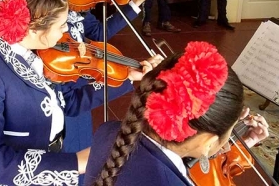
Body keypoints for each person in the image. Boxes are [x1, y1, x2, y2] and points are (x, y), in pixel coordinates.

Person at [0, 0, 159, 186]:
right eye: (61, 25)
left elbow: (68, 102)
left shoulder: (38, 51)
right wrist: (76, 162)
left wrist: (126, 75)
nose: (66, 32)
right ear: (35, 29)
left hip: (54, 157)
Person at [31, 0, 161, 161]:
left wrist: (136, 2)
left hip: (79, 81)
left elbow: (99, 34)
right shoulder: (41, 12)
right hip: (59, 90)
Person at [84, 41, 269, 186]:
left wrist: (246, 139)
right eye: (228, 134)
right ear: (207, 144)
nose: (226, 142)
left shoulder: (107, 131)